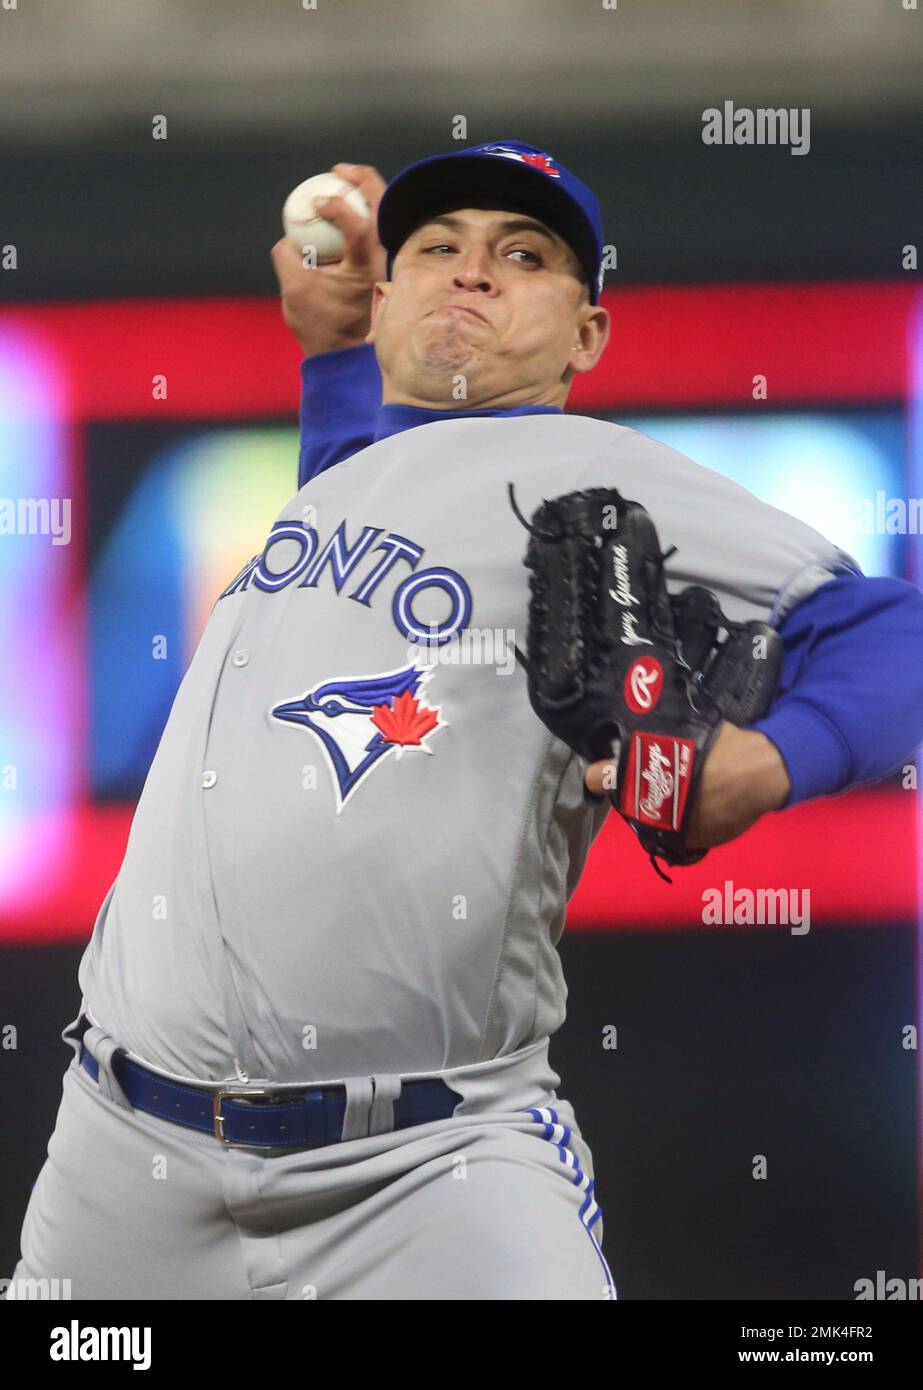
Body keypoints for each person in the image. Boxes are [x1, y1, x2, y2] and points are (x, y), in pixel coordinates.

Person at [8, 142, 923, 1302]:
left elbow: (898, 633)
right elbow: (370, 476)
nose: (472, 271)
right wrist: (335, 351)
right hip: (122, 1154)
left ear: (585, 336)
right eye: (437, 247)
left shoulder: (584, 468)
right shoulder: (349, 475)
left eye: (523, 255)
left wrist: (767, 759)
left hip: (425, 1168)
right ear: (387, 294)